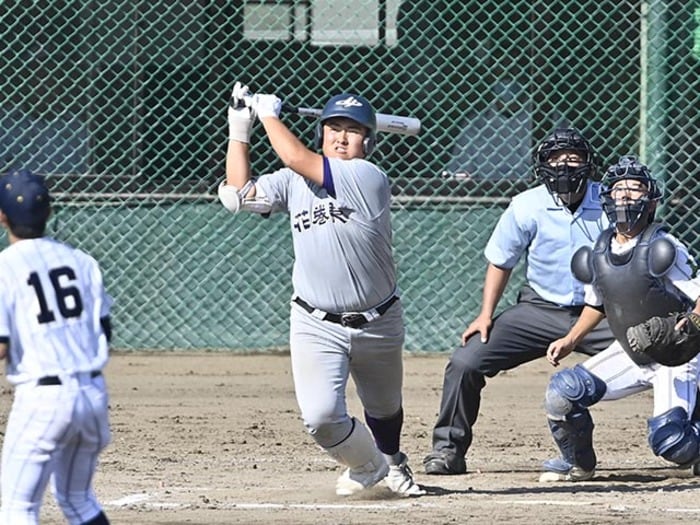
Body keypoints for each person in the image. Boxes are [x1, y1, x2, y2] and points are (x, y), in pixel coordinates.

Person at [217, 82, 425, 497]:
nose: (342, 137)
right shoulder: (292, 180)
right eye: (334, 128)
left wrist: (269, 113)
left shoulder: (367, 177)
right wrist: (240, 128)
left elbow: (295, 154)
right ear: (321, 133)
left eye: (353, 130)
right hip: (316, 321)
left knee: (384, 408)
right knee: (322, 416)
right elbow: (237, 196)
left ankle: (392, 460)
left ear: (368, 141)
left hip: (379, 319)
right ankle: (369, 466)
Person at [423, 128, 616, 475]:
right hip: (540, 309)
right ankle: (447, 450)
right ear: (542, 167)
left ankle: (688, 443)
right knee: (465, 362)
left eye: (573, 159)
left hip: (603, 313)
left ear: (589, 164)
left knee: (669, 352)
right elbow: (501, 261)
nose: (565, 168)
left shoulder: (608, 203)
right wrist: (485, 315)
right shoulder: (527, 204)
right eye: (556, 161)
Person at [540, 156, 700, 481]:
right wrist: (571, 340)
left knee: (672, 442)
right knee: (562, 394)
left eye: (635, 189)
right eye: (618, 189)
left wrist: (694, 322)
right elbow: (597, 305)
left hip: (676, 356)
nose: (625, 195)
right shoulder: (599, 251)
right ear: (607, 198)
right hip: (633, 351)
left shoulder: (664, 247)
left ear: (651, 200)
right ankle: (579, 463)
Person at [0, 170, 112, 524]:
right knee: (78, 500)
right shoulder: (82, 261)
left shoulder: (5, 268)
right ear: (49, 212)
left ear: (2, 217)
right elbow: (104, 331)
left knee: (18, 509)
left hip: (43, 400)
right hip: (92, 393)